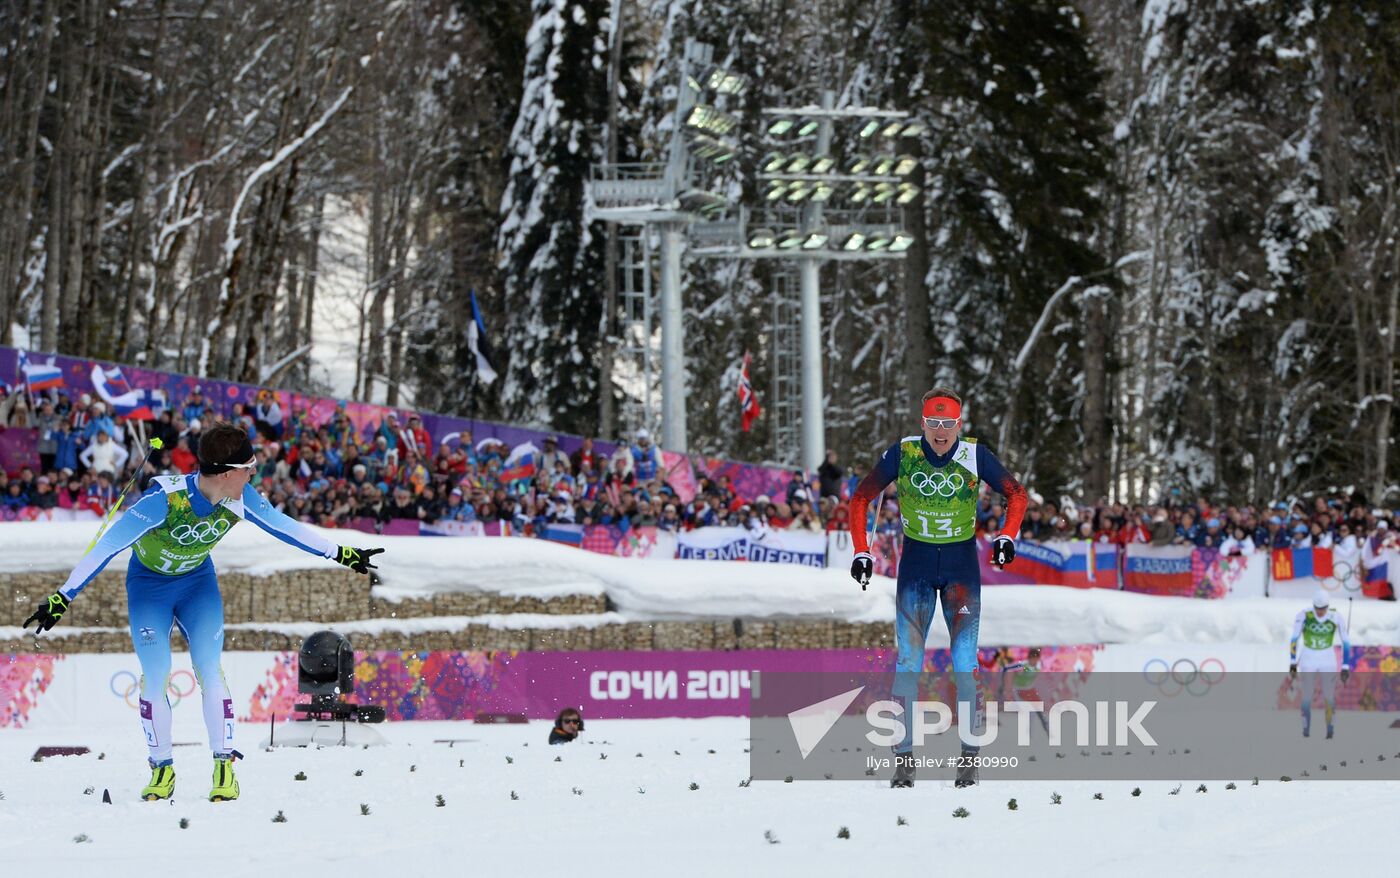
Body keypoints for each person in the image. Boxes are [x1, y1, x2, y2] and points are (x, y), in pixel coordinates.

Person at [21, 422, 384, 803]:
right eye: (249, 467)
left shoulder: (240, 498)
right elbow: (106, 547)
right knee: (156, 675)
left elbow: (285, 528)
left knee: (210, 671)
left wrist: (341, 553)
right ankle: (161, 770)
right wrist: (62, 597)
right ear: (227, 473)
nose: (253, 473)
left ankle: (224, 768)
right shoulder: (163, 501)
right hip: (149, 589)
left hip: (197, 586)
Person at [848, 388, 1027, 788]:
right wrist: (862, 551)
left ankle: (969, 758)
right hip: (916, 571)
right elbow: (860, 498)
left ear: (959, 425)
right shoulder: (904, 453)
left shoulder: (974, 455)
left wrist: (1007, 536)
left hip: (961, 574)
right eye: (934, 422)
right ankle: (905, 759)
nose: (941, 431)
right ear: (922, 422)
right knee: (908, 663)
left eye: (949, 424)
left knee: (965, 664)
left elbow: (1017, 493)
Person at [1288, 589, 1351, 739]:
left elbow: (1346, 642)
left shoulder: (1336, 616)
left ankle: (1330, 729)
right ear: (1313, 606)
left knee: (1329, 695)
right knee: (1307, 694)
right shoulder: (1303, 615)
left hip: (1327, 658)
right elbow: (1294, 639)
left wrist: (1345, 666)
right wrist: (1292, 662)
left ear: (1328, 606)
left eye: (1323, 609)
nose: (1320, 612)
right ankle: (1305, 729)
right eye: (1317, 609)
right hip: (1308, 657)